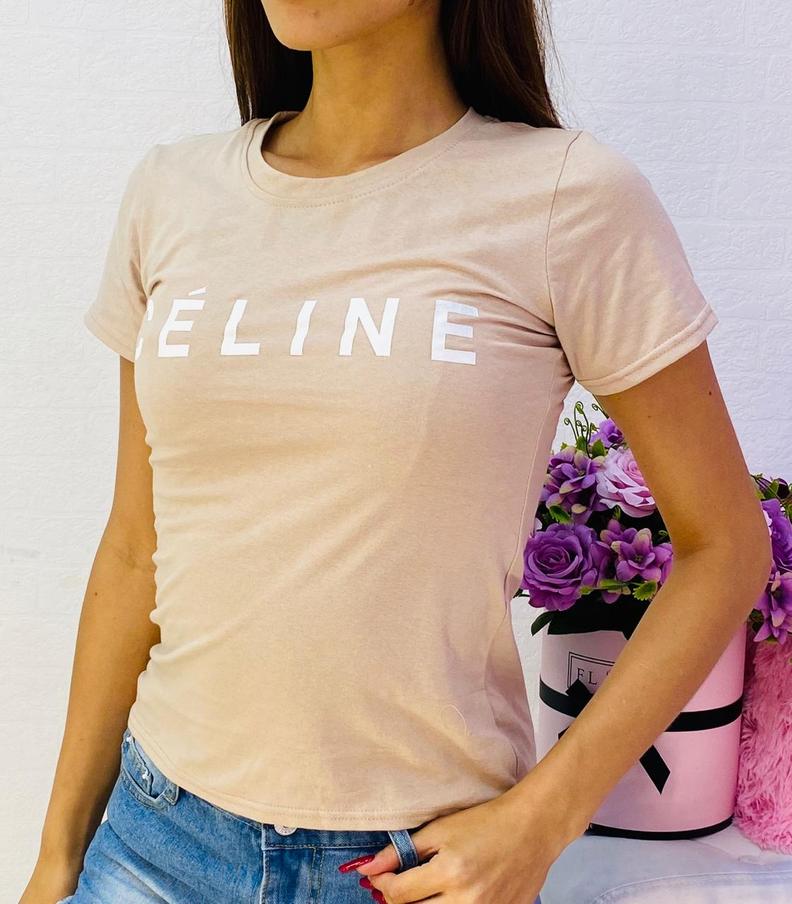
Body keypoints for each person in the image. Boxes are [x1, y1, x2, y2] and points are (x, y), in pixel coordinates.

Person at [21, 1, 772, 903]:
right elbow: (134, 550)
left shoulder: (567, 199)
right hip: (153, 840)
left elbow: (727, 546)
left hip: (413, 866)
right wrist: (56, 858)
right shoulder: (172, 192)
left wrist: (544, 820)